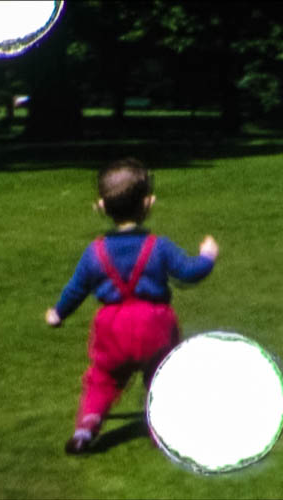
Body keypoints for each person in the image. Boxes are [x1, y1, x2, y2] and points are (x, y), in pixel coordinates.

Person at [45, 158, 218, 454]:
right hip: (155, 325)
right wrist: (207, 257)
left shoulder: (94, 252)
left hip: (112, 328)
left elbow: (76, 289)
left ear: (101, 206)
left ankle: (86, 427)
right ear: (148, 203)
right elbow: (189, 273)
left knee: (102, 379)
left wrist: (58, 313)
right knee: (162, 376)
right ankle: (164, 429)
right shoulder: (159, 246)